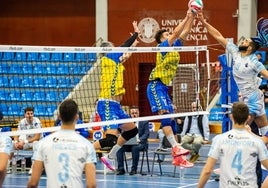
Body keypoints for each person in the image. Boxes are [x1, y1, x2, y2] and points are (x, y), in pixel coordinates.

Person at [198, 13, 268, 136]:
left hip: (253, 99)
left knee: (241, 131)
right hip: (249, 97)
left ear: (250, 48)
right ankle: (263, 150)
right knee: (265, 130)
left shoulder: (254, 62)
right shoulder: (236, 52)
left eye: (246, 41)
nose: (243, 41)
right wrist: (204, 22)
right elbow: (218, 36)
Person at [146, 9, 195, 168]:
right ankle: (176, 147)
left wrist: (192, 17)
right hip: (155, 84)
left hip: (165, 87)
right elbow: (175, 32)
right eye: (166, 35)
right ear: (161, 39)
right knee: (166, 116)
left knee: (171, 118)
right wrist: (186, 15)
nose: (169, 36)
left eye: (168, 35)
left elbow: (185, 32)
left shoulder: (175, 46)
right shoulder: (163, 46)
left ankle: (177, 156)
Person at [95, 21, 140, 171]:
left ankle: (110, 156)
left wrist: (135, 44)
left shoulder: (115, 62)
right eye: (115, 48)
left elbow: (126, 54)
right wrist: (135, 34)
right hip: (106, 103)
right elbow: (125, 47)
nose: (117, 49)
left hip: (116, 106)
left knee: (132, 130)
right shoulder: (109, 57)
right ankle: (83, 150)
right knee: (110, 139)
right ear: (109, 49)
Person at [27, 99, 97, 188]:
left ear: (59, 116)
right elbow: (91, 185)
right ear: (77, 117)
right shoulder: (87, 145)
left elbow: (33, 183)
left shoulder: (43, 143)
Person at [198, 102, 268, 188]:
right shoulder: (257, 142)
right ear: (248, 118)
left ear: (231, 116)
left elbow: (207, 170)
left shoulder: (219, 139)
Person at [116, 106, 149, 175]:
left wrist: (139, 140)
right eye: (132, 113)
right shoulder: (126, 122)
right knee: (119, 148)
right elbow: (120, 132)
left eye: (136, 113)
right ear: (130, 114)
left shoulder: (144, 121)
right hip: (128, 143)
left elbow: (146, 134)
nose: (134, 114)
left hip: (141, 143)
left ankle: (134, 169)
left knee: (135, 147)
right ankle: (121, 169)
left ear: (139, 113)